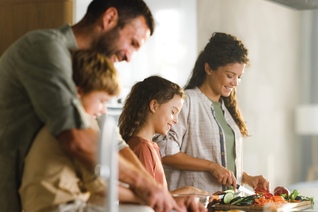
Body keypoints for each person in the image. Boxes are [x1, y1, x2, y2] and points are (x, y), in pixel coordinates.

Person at [0, 0, 181, 211]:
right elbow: (76, 138)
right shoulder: (45, 48)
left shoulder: (84, 73)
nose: (129, 57)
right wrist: (148, 189)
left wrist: (161, 195)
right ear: (109, 18)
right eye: (132, 42)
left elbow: (115, 144)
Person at [154, 32, 270, 194]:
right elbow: (164, 152)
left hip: (226, 203)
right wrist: (211, 166)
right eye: (230, 75)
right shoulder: (186, 102)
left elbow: (223, 163)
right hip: (194, 204)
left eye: (239, 77)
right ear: (208, 68)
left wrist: (247, 177)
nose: (235, 83)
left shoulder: (226, 109)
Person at [118, 76, 211, 199]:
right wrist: (184, 192)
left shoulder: (151, 146)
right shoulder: (142, 147)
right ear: (154, 105)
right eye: (173, 112)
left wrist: (183, 193)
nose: (176, 120)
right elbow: (148, 200)